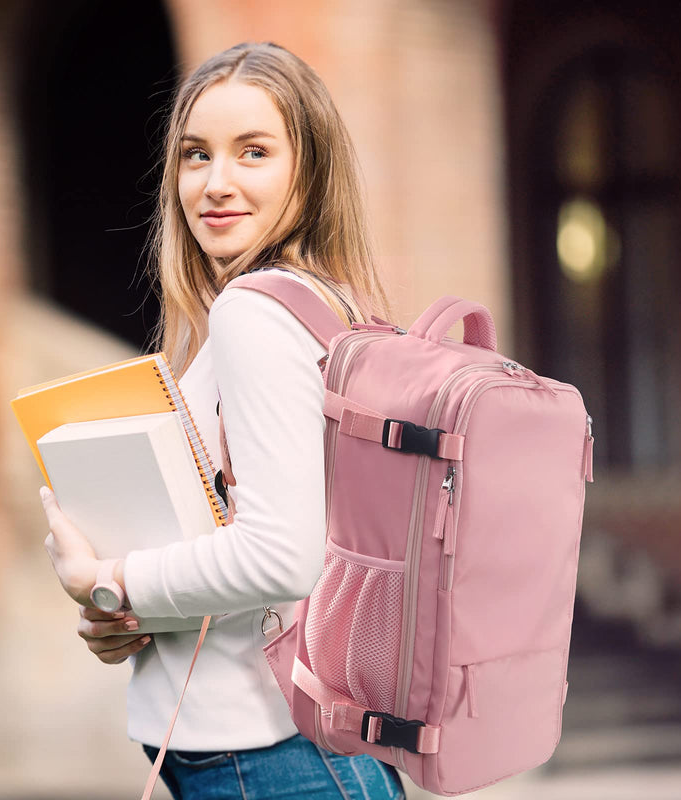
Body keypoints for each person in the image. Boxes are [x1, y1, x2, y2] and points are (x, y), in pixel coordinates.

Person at [40, 42, 404, 800]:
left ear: (309, 169)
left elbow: (282, 558)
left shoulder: (255, 315)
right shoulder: (323, 304)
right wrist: (131, 613)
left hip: (274, 758)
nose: (215, 183)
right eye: (196, 154)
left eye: (254, 152)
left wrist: (110, 582)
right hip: (286, 756)